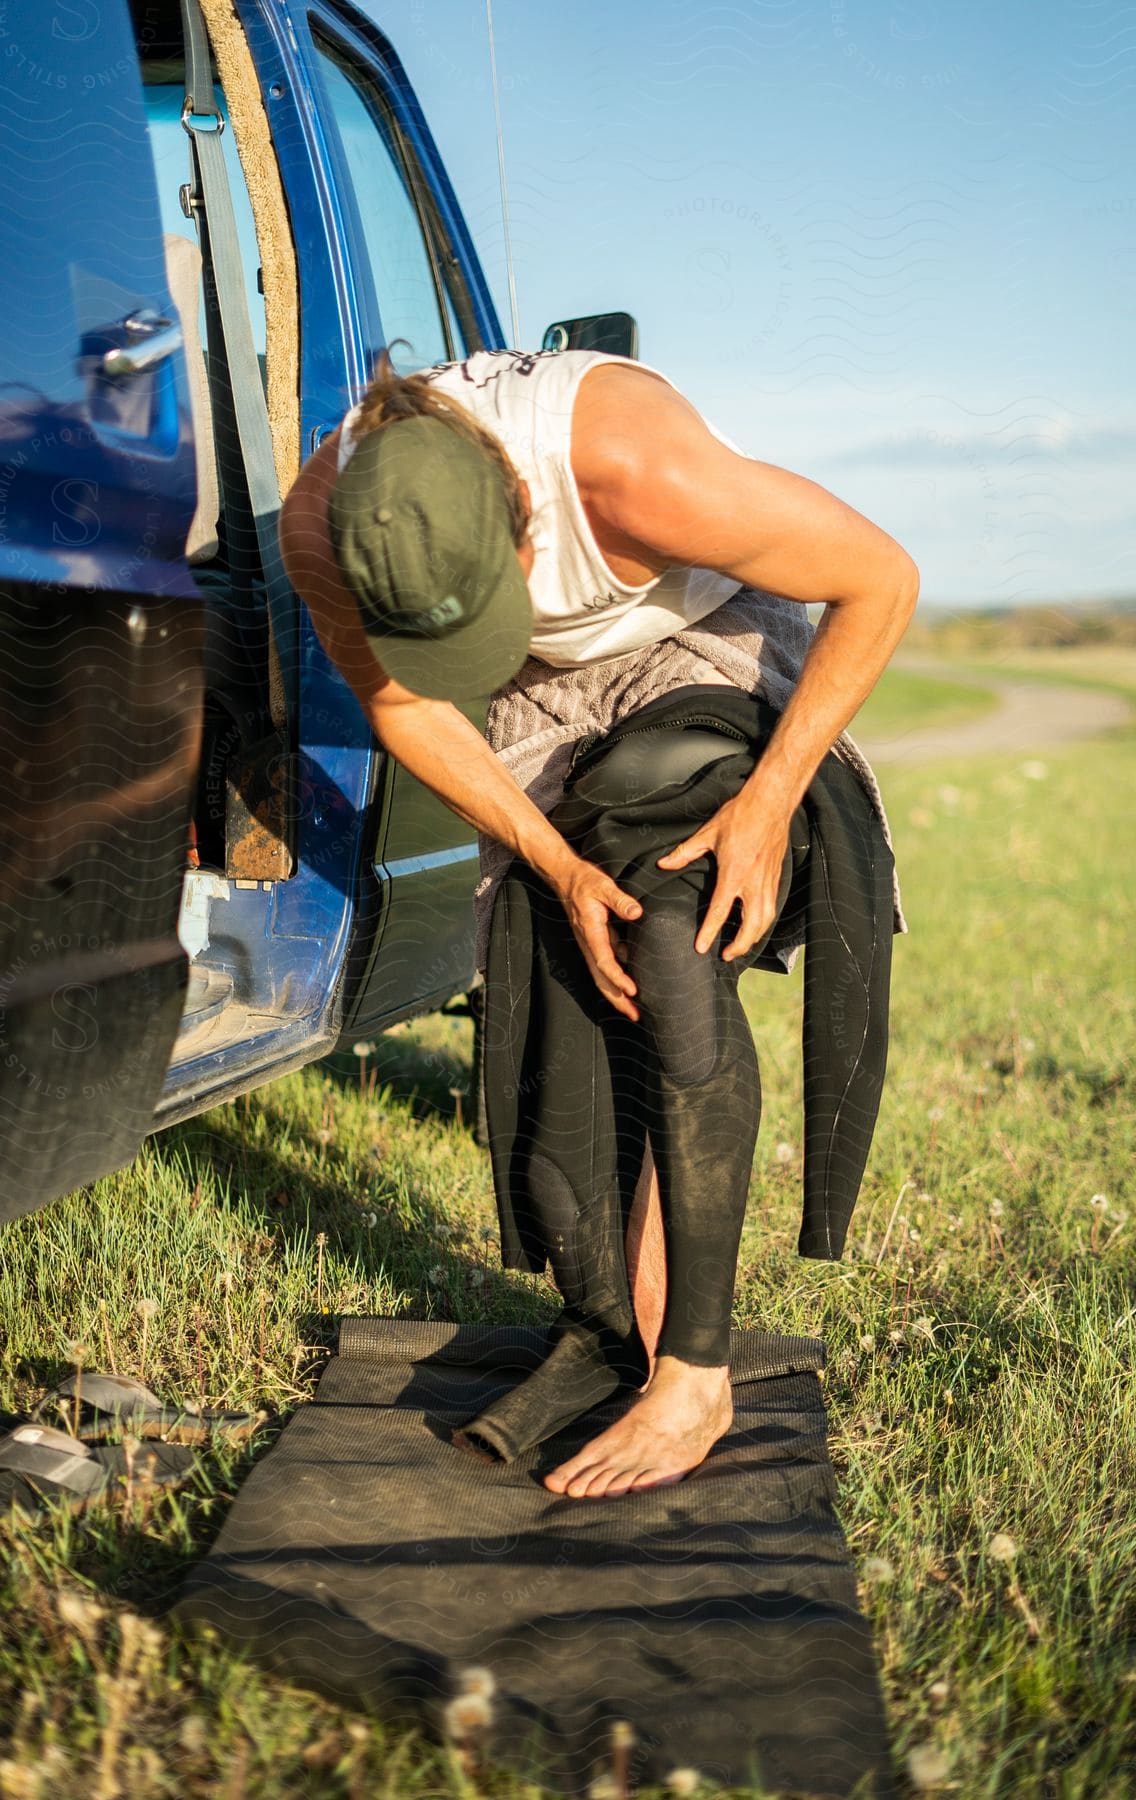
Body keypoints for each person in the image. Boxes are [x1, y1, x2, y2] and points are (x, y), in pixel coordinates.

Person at [278, 345, 918, 1499]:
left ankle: (696, 1375)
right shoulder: (327, 523)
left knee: (670, 940)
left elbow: (879, 577)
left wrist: (769, 801)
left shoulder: (632, 469)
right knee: (560, 994)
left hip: (695, 649)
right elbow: (408, 707)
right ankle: (618, 1324)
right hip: (523, 692)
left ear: (521, 515)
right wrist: (556, 865)